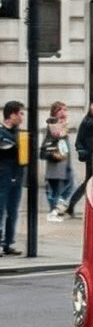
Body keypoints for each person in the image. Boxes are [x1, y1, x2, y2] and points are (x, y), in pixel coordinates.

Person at [41, 102, 73, 217]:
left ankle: (56, 209)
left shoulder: (63, 126)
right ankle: (54, 211)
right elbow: (47, 147)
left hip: (64, 164)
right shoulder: (54, 127)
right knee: (57, 191)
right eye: (60, 110)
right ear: (54, 112)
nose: (63, 112)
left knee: (68, 187)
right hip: (57, 166)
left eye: (65, 109)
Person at [0, 101, 22, 253]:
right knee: (0, 209)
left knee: (13, 210)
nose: (22, 117)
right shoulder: (1, 133)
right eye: (20, 113)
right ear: (12, 115)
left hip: (17, 175)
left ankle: (8, 242)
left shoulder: (19, 133)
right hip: (3, 176)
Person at [66, 103, 93, 214]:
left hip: (92, 155)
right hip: (90, 156)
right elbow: (80, 139)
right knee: (89, 182)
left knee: (89, 182)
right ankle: (72, 204)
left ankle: (72, 205)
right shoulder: (88, 121)